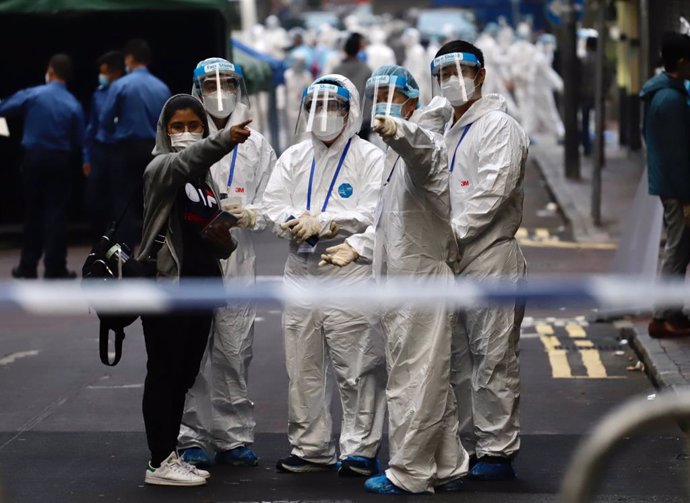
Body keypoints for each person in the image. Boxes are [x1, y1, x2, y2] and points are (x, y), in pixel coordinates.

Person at [320, 65, 469, 495]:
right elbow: (392, 223)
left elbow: (423, 153)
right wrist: (359, 246)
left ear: (411, 101)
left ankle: (410, 472)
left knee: (412, 380)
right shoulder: (389, 158)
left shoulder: (423, 147)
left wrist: (400, 130)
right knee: (430, 376)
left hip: (419, 284)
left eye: (391, 95)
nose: (381, 103)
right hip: (402, 281)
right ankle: (449, 464)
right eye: (376, 95)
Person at [262, 74, 387, 476]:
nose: (323, 116)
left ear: (349, 111)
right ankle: (311, 448)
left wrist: (329, 223)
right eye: (315, 107)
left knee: (357, 367)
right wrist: (292, 222)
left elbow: (375, 213)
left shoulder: (370, 158)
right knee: (302, 367)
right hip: (299, 272)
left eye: (332, 107)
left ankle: (359, 451)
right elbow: (272, 205)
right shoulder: (294, 157)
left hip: (349, 272)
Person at [137, 93, 251, 486]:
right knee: (164, 373)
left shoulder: (204, 181)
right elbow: (190, 158)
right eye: (177, 127)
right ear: (165, 132)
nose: (186, 134)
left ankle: (170, 455)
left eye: (193, 126)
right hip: (169, 289)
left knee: (184, 373)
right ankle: (159, 462)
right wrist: (224, 140)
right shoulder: (162, 167)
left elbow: (207, 230)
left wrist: (226, 232)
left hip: (201, 287)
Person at [431, 40, 528, 481]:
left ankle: (496, 450)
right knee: (453, 360)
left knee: (493, 357)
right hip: (450, 260)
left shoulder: (499, 126)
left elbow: (493, 190)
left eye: (461, 71)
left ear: (482, 74)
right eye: (444, 74)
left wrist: (452, 233)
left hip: (490, 257)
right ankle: (462, 446)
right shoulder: (445, 129)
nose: (453, 81)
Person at [177, 58, 277, 468]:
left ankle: (233, 437)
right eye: (210, 82)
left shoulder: (256, 143)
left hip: (237, 257)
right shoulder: (186, 137)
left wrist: (248, 212)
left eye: (227, 82)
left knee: (235, 352)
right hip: (191, 259)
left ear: (239, 86)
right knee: (191, 353)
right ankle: (190, 435)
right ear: (196, 88)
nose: (220, 89)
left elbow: (275, 201)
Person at [0, 54, 84, 279]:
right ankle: (55, 268)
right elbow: (78, 141)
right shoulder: (73, 104)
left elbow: (4, 108)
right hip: (60, 161)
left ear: (50, 70)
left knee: (33, 213)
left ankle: (27, 267)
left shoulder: (34, 94)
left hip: (34, 160)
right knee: (56, 215)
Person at [641, 32, 690, 338]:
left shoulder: (665, 92)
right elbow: (678, 155)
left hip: (671, 184)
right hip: (677, 188)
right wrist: (686, 198)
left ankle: (673, 310)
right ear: (682, 63)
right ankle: (661, 316)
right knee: (677, 248)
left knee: (682, 248)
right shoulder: (670, 99)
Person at [99, 39, 170, 251]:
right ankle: (156, 250)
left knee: (123, 203)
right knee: (156, 201)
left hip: (126, 149)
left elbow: (105, 120)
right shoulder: (162, 87)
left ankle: (125, 252)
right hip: (155, 149)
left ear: (129, 58)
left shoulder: (120, 85)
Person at [83, 50, 125, 242]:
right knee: (94, 200)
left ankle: (119, 241)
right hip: (99, 151)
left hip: (120, 150)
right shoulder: (98, 94)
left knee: (120, 199)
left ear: (114, 72)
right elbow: (91, 126)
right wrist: (87, 156)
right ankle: (99, 240)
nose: (101, 76)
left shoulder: (127, 90)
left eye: (104, 72)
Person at [333, 33, 372, 139]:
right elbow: (369, 97)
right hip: (361, 120)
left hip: (341, 120)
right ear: (359, 49)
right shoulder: (366, 69)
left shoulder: (337, 70)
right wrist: (368, 118)